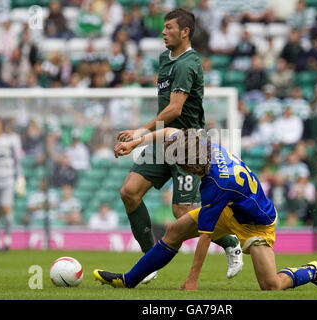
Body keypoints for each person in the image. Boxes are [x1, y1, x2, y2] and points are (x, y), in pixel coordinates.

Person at [94, 127, 317, 291]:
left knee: (271, 285)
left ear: (192, 164)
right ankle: (129, 280)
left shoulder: (216, 184)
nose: (179, 167)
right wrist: (137, 141)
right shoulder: (202, 146)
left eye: (181, 164)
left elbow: (205, 237)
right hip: (230, 208)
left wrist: (192, 279)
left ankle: (312, 270)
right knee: (174, 231)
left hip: (255, 224)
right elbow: (170, 131)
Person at [115, 8, 243, 283]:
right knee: (129, 192)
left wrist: (139, 132)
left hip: (188, 145)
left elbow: (174, 109)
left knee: (183, 213)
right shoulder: (165, 58)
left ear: (185, 32)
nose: (163, 31)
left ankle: (231, 241)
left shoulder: (188, 63)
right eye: (163, 27)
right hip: (164, 139)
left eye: (169, 27)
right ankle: (149, 262)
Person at [0, 116, 25, 251]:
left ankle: (7, 238)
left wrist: (20, 177)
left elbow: (17, 160)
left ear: (1, 125)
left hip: (7, 179)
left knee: (6, 209)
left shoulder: (10, 141)